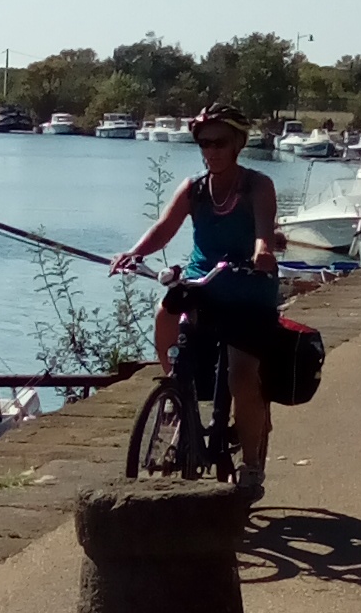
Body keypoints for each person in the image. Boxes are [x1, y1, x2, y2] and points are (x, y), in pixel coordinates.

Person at [110, 102, 280, 501]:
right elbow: (163, 228)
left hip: (247, 289)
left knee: (241, 378)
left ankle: (252, 465)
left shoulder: (257, 186)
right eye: (203, 143)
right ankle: (175, 390)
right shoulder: (193, 189)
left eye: (219, 142)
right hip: (204, 284)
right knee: (164, 313)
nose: (211, 150)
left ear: (238, 143)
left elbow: (263, 231)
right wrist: (133, 254)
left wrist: (262, 254)